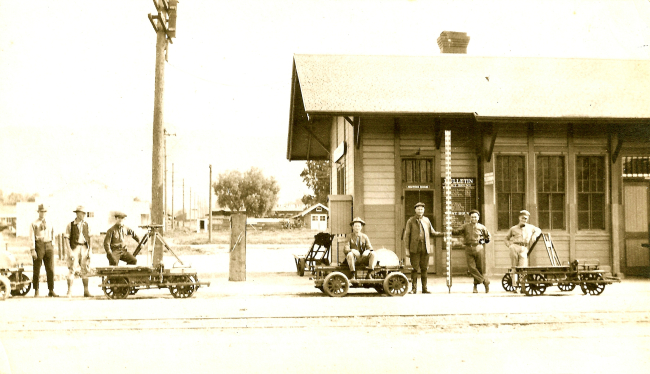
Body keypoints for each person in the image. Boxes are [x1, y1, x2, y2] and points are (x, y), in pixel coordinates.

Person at [404, 202, 444, 294]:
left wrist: (444, 234)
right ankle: (414, 289)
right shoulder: (410, 221)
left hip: (425, 248)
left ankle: (424, 288)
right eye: (418, 209)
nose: (420, 210)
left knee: (424, 268)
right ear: (415, 210)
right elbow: (407, 236)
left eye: (422, 209)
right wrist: (407, 250)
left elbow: (433, 233)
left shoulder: (427, 220)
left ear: (424, 210)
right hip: (414, 249)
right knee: (414, 268)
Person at [451, 209, 491, 294]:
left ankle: (476, 287)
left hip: (478, 248)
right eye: (472, 217)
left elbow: (488, 238)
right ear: (470, 218)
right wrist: (449, 229)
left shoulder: (482, 227)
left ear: (478, 218)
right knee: (471, 268)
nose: (474, 218)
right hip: (468, 248)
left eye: (475, 217)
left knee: (479, 268)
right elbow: (456, 231)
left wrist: (482, 241)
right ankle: (485, 281)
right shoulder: (465, 226)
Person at [504, 210, 542, 292]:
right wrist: (509, 245)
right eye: (522, 218)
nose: (524, 220)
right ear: (519, 218)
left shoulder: (531, 227)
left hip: (524, 248)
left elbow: (539, 230)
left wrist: (534, 235)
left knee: (523, 268)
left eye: (525, 218)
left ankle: (522, 286)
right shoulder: (513, 228)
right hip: (514, 247)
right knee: (514, 267)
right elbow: (506, 238)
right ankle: (515, 287)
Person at [63, 206, 93, 297]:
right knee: (72, 269)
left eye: (84, 213)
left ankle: (86, 291)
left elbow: (90, 237)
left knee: (85, 269)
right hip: (74, 248)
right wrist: (70, 251)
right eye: (82, 213)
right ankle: (69, 291)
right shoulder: (70, 225)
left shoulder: (87, 225)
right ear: (77, 213)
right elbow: (66, 239)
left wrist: (90, 250)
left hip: (84, 247)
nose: (84, 215)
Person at [29, 204, 58, 297]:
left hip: (49, 245)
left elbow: (53, 233)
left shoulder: (50, 222)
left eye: (45, 211)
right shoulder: (34, 223)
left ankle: (51, 290)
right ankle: (36, 290)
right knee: (37, 268)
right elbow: (31, 237)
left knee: (50, 268)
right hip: (39, 245)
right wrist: (33, 249)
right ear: (38, 212)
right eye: (41, 211)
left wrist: (53, 244)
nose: (43, 213)